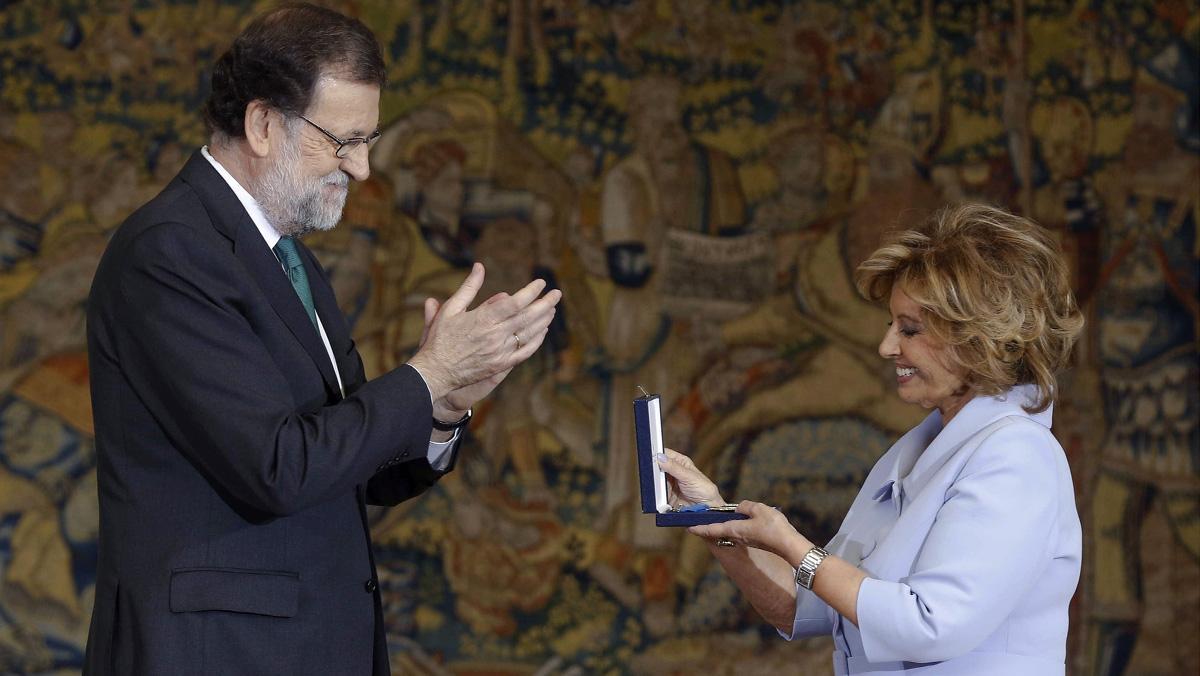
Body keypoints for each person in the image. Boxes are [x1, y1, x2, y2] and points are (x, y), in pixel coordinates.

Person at [82, 4, 560, 675]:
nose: (363, 169)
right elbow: (280, 468)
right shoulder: (170, 253)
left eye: (368, 141)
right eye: (345, 141)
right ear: (262, 123)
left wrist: (447, 403)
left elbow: (349, 464)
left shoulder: (288, 259)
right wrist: (426, 375)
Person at [659, 203, 1085, 675]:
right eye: (891, 325)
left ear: (978, 336)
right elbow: (803, 608)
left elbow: (930, 623)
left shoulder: (1017, 457)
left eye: (910, 329)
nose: (886, 347)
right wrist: (717, 519)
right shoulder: (909, 454)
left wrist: (795, 546)